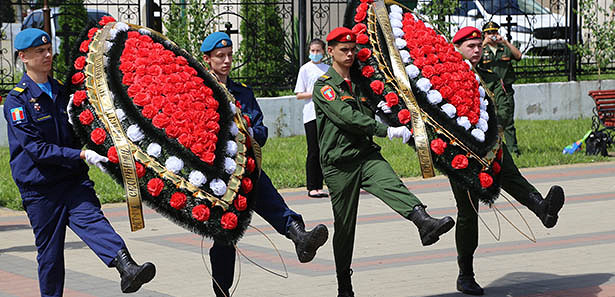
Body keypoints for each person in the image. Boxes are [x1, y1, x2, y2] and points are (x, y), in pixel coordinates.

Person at [3, 28, 155, 296]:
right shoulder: (18, 100)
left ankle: (127, 267)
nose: (48, 55)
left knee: (94, 221)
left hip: (72, 179)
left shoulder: (62, 92)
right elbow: (36, 149)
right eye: (39, 51)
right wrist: (81, 155)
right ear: (23, 57)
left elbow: (81, 130)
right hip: (41, 189)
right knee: (50, 255)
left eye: (49, 49)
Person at [312, 27, 456, 297]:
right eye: (344, 50)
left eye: (353, 49)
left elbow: (386, 104)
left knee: (391, 183)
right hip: (339, 165)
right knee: (344, 225)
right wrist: (386, 131)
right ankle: (344, 281)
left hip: (365, 155)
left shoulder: (362, 83)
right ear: (330, 51)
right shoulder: (324, 87)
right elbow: (347, 118)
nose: (350, 54)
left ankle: (424, 222)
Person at [200, 32, 329, 297]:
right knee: (225, 234)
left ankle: (300, 237)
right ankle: (222, 291)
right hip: (215, 176)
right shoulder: (199, 94)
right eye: (220, 57)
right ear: (207, 60)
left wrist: (248, 132)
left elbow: (261, 129)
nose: (226, 61)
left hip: (244, 165)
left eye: (229, 56)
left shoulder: (243, 94)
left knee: (268, 196)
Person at [451, 26, 565, 295]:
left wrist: (489, 132)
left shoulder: (489, 77)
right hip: (460, 153)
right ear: (456, 48)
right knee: (468, 212)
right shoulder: (445, 75)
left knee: (511, 175)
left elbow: (502, 106)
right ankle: (465, 274)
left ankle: (543, 209)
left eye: (479, 45)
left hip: (491, 144)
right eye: (471, 46)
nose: (477, 50)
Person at [294, 38, 330, 198]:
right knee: (314, 150)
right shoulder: (305, 69)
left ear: (324, 51)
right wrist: (316, 93)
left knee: (325, 151)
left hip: (327, 114)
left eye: (318, 51)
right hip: (311, 114)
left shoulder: (328, 69)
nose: (315, 54)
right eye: (312, 51)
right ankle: (312, 186)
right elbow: (299, 94)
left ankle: (321, 185)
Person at [480, 21, 522, 155]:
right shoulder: (482, 49)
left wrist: (505, 42)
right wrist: (484, 43)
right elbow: (471, 60)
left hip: (505, 90)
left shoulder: (504, 48)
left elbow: (518, 56)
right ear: (484, 34)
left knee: (508, 120)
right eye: (489, 33)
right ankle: (489, 149)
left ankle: (512, 150)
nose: (493, 35)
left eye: (495, 32)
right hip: (488, 90)